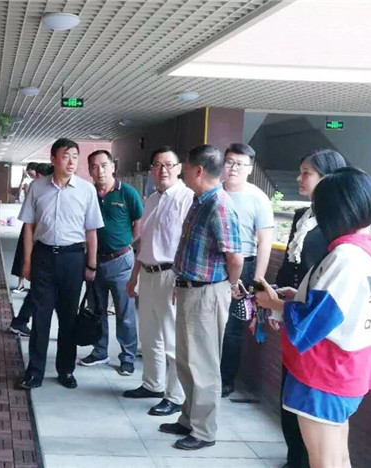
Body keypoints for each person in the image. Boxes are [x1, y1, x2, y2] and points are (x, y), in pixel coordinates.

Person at [256, 167, 371, 468]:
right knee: (337, 456)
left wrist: (273, 303)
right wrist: (297, 296)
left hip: (325, 373)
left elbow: (313, 322)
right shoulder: (363, 252)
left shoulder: (346, 257)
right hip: (344, 370)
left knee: (324, 461)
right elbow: (336, 306)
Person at [159, 144, 243, 451]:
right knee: (186, 359)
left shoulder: (219, 205)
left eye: (184, 167)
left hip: (207, 293)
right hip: (189, 288)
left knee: (203, 366)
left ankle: (204, 431)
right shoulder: (200, 201)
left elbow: (235, 258)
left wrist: (229, 287)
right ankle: (188, 419)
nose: (181, 171)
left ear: (198, 170)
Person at [272, 149, 347, 468]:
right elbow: (291, 266)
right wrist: (275, 305)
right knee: (289, 392)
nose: (300, 178)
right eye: (300, 171)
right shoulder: (302, 215)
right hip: (293, 309)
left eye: (307, 173)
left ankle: (305, 461)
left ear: (328, 179)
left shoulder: (338, 222)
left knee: (309, 400)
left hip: (315, 320)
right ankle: (294, 458)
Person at [16, 138, 104, 390]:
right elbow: (29, 227)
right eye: (66, 156)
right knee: (40, 317)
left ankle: (66, 370)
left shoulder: (86, 190)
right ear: (53, 159)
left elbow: (91, 231)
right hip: (43, 257)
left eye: (75, 157)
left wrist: (91, 265)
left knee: (68, 318)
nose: (71, 162)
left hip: (73, 258)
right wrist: (27, 262)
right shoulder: (37, 188)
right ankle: (34, 372)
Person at [124, 146, 194, 417]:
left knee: (173, 340)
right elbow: (143, 242)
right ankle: (152, 384)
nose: (163, 170)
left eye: (168, 165)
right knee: (149, 334)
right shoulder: (151, 199)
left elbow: (189, 245)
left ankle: (175, 396)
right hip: (148, 273)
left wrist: (182, 279)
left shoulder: (187, 198)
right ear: (151, 170)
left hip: (172, 276)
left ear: (179, 169)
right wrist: (134, 276)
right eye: (157, 165)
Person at [78, 150, 143, 375]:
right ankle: (100, 351)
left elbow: (138, 223)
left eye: (104, 165)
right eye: (94, 166)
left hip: (121, 262)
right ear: (89, 170)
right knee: (97, 310)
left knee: (125, 312)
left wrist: (126, 245)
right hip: (94, 261)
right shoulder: (88, 194)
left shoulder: (127, 193)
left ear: (113, 167)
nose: (100, 171)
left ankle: (127, 357)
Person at [220, 143, 274, 398]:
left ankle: (225, 379)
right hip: (213, 264)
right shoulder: (214, 191)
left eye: (240, 164)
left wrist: (257, 280)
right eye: (229, 162)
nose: (233, 168)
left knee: (232, 327)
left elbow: (265, 241)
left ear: (250, 169)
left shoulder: (257, 197)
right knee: (208, 321)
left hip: (244, 267)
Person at [9, 163, 56, 336]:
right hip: (42, 249)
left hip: (47, 250)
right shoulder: (39, 190)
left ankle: (21, 322)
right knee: (42, 290)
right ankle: (22, 322)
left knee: (41, 290)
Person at [11, 163, 42, 295]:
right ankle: (21, 283)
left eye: (32, 174)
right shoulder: (31, 185)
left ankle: (35, 285)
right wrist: (23, 180)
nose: (31, 176)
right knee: (23, 252)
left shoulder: (44, 187)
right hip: (29, 223)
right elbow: (19, 195)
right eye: (29, 174)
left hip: (40, 225)